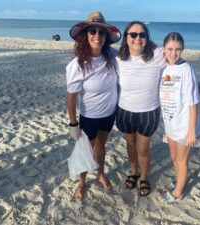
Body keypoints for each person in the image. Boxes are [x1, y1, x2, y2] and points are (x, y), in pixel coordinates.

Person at [66, 11, 121, 202]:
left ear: (106, 37)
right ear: (86, 35)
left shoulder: (112, 56)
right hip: (89, 116)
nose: (97, 35)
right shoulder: (77, 64)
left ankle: (100, 174)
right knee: (85, 151)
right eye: (93, 31)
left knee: (101, 146)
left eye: (101, 32)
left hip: (109, 113)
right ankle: (81, 182)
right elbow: (71, 97)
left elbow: (138, 59)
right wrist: (73, 124)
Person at [115, 21, 166, 196]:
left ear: (147, 38)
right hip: (124, 111)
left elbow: (177, 60)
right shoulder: (118, 59)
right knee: (130, 144)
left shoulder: (158, 55)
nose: (138, 38)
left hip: (149, 111)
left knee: (143, 148)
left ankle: (144, 177)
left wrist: (194, 84)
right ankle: (133, 172)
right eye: (133, 35)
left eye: (142, 35)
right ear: (126, 38)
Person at [159, 32, 200, 204]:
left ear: (183, 50)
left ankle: (178, 192)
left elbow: (193, 103)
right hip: (171, 124)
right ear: (164, 49)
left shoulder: (186, 70)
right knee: (173, 157)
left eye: (178, 49)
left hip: (185, 125)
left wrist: (191, 131)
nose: (173, 53)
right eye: (170, 49)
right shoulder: (165, 68)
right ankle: (179, 180)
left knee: (181, 160)